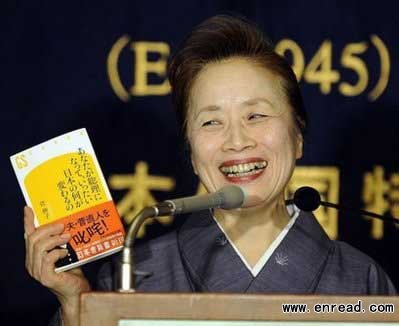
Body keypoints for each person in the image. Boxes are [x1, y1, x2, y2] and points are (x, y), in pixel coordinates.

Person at [23, 15, 396, 326]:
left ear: (298, 137)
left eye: (256, 115)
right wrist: (76, 304)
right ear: (190, 149)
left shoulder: (360, 278)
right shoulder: (129, 274)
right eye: (211, 123)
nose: (236, 140)